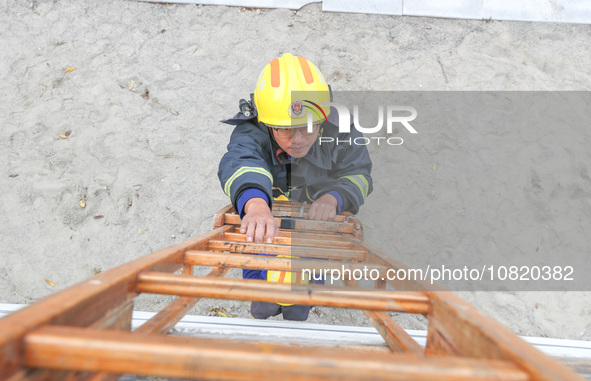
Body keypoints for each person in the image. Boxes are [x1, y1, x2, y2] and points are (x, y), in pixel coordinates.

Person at [218, 53, 372, 321]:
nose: (297, 140)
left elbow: (359, 173)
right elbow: (241, 160)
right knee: (262, 304)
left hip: (316, 227)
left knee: (299, 307)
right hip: (266, 219)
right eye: (285, 131)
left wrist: (334, 198)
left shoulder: (342, 130)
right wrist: (255, 205)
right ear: (266, 124)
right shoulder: (253, 130)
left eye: (308, 128)